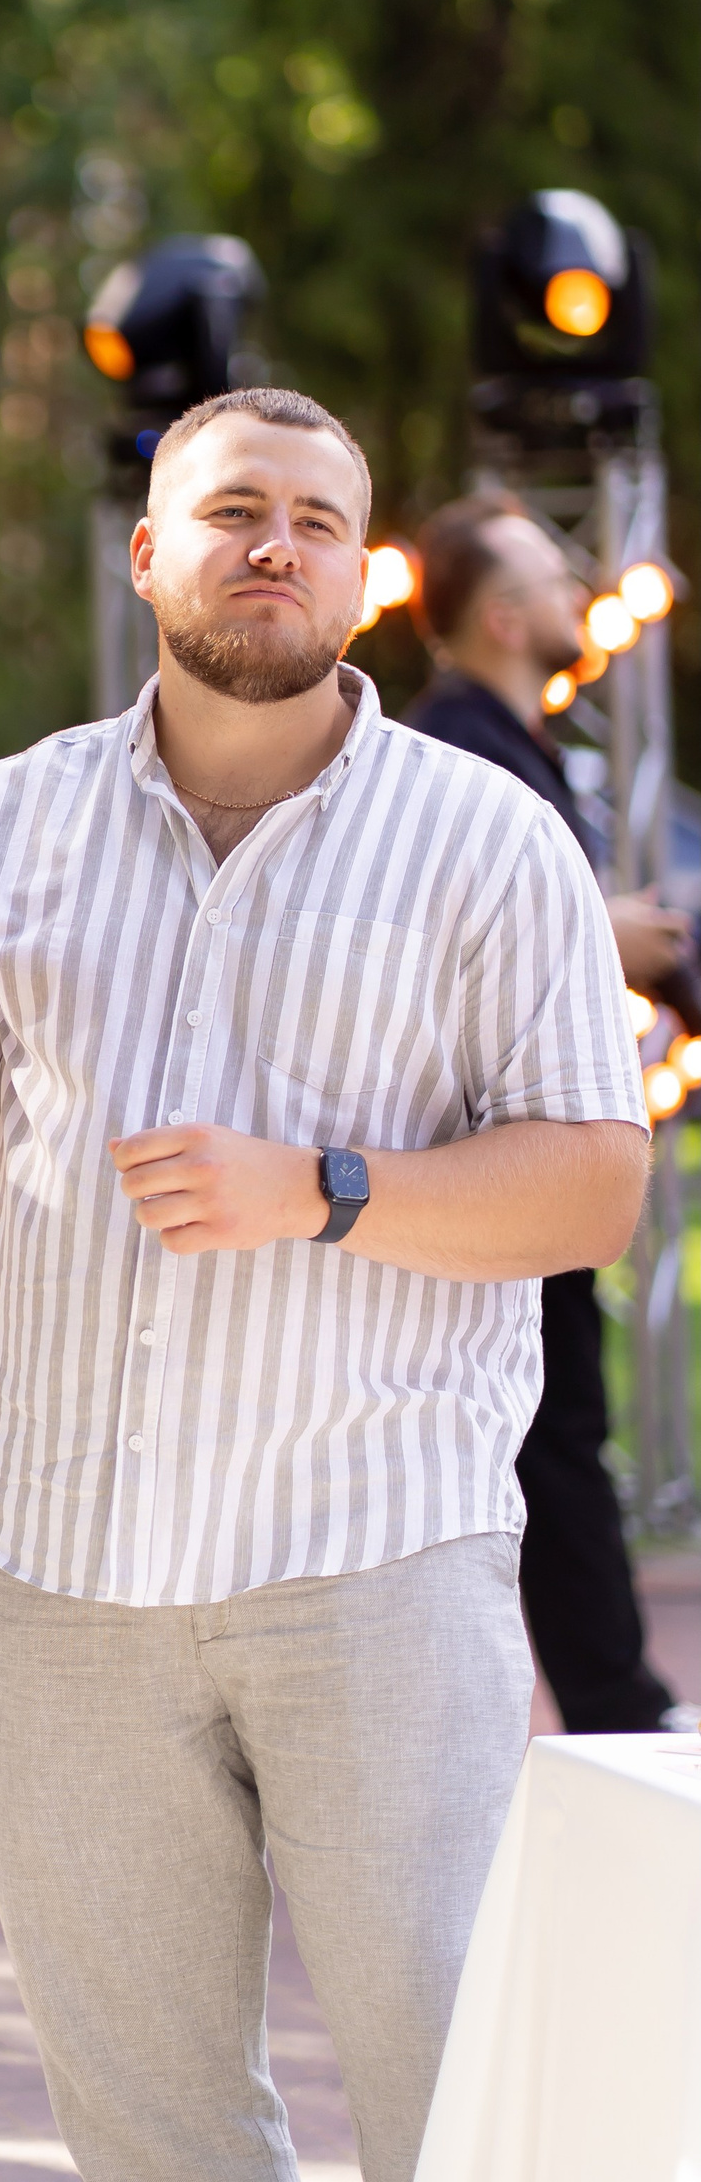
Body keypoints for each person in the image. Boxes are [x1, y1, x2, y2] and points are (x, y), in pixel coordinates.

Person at [0, 386, 648, 2182]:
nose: (277, 547)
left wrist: (320, 1191)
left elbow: (594, 1188)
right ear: (150, 551)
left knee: (455, 2103)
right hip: (52, 1566)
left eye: (319, 521)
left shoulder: (490, 840)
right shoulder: (6, 825)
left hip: (373, 1555)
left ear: (365, 575)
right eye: (237, 509)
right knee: (153, 2131)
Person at [404, 488, 686, 1733]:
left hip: (519, 1147)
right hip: (487, 1152)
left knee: (551, 1424)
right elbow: (446, 927)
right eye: (551, 578)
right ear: (504, 619)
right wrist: (596, 929)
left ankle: (612, 1698)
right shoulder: (454, 750)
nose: (582, 594)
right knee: (545, 1428)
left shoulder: (509, 743)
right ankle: (616, 1704)